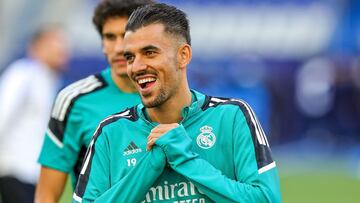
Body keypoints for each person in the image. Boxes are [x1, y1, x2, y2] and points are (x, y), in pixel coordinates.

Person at [73, 3, 282, 203]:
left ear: (183, 56)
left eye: (149, 53)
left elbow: (266, 199)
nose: (136, 67)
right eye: (130, 57)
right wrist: (151, 164)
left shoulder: (232, 116)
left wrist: (184, 158)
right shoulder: (111, 133)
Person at [34, 0, 154, 202]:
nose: (118, 48)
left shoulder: (169, 95)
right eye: (109, 37)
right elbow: (47, 194)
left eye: (126, 35)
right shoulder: (74, 100)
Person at [0, 26, 69, 203]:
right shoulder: (23, 73)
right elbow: (3, 114)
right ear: (35, 48)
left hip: (34, 176)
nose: (61, 48)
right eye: (54, 42)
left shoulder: (49, 81)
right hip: (16, 171)